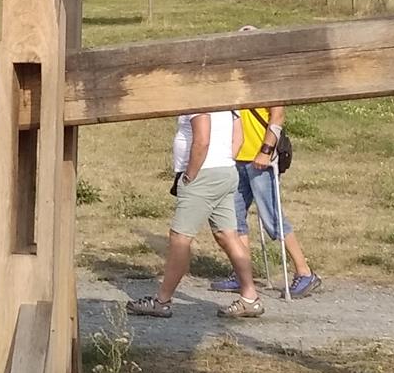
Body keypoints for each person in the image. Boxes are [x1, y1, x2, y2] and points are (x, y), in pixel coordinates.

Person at [127, 109, 262, 320]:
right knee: (228, 235)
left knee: (180, 238)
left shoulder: (198, 98)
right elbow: (239, 137)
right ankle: (250, 297)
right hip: (226, 170)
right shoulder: (227, 101)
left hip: (202, 175)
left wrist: (190, 175)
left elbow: (202, 139)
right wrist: (225, 161)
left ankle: (162, 301)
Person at [213, 99, 320, 299]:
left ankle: (304, 271)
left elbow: (277, 116)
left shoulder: (265, 83)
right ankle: (242, 274)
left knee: (272, 217)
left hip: (260, 158)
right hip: (235, 157)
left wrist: (266, 151)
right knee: (235, 220)